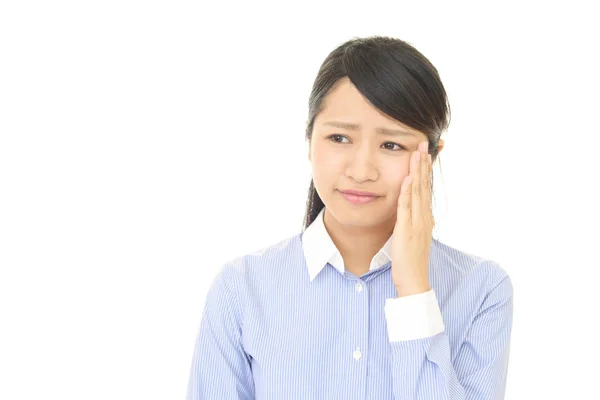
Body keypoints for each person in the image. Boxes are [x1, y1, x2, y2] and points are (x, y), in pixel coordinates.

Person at [186, 35, 513, 399]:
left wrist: (414, 291)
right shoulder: (242, 288)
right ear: (309, 140)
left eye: (392, 145)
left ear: (432, 155)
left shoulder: (482, 289)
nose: (361, 170)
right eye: (340, 138)